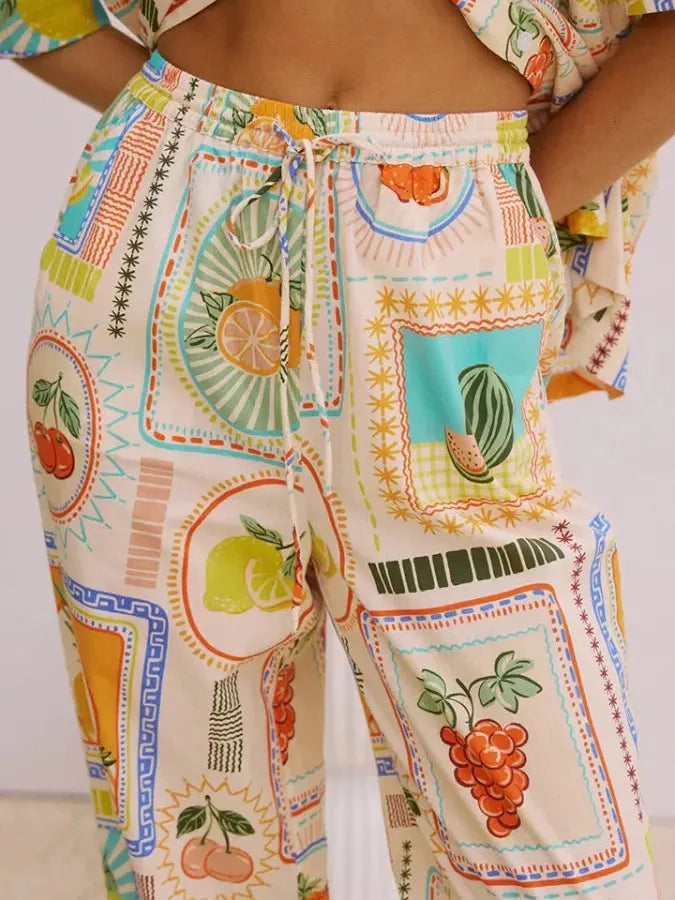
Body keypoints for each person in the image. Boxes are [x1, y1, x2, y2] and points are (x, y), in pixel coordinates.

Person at [3, 1, 673, 897]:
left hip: (451, 237)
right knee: (194, 842)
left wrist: (498, 205)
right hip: (162, 237)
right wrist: (182, 132)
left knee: (557, 851)